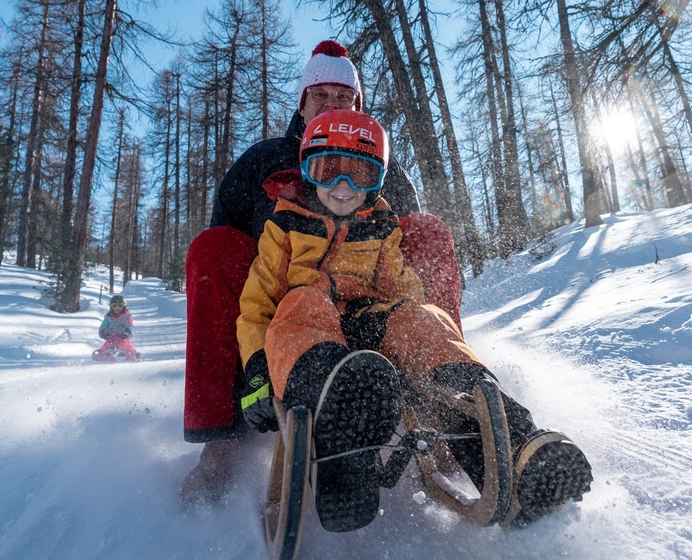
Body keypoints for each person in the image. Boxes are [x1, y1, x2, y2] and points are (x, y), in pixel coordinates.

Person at [236, 110, 592, 532]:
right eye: (329, 170)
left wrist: (412, 334)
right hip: (309, 336)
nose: (343, 187)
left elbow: (403, 290)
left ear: (378, 179)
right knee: (301, 302)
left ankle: (518, 449)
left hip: (368, 327)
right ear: (307, 171)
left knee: (423, 318)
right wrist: (258, 369)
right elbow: (257, 305)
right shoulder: (285, 224)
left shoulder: (381, 227)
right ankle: (341, 435)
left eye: (359, 174)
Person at [181, 40, 462, 504]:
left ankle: (446, 405)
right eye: (321, 95)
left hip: (373, 305)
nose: (332, 105)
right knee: (212, 248)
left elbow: (402, 248)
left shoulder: (385, 170)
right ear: (302, 102)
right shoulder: (264, 160)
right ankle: (222, 437)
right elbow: (224, 244)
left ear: (359, 103)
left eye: (343, 97)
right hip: (286, 308)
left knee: (428, 229)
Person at [94, 295, 138, 361]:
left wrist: (127, 332)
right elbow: (103, 326)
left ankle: (132, 356)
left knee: (128, 348)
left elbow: (129, 325)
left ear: (124, 306)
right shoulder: (108, 318)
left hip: (123, 339)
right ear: (111, 306)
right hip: (111, 339)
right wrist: (102, 332)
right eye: (114, 306)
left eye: (120, 305)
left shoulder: (127, 317)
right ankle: (107, 358)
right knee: (101, 350)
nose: (117, 308)